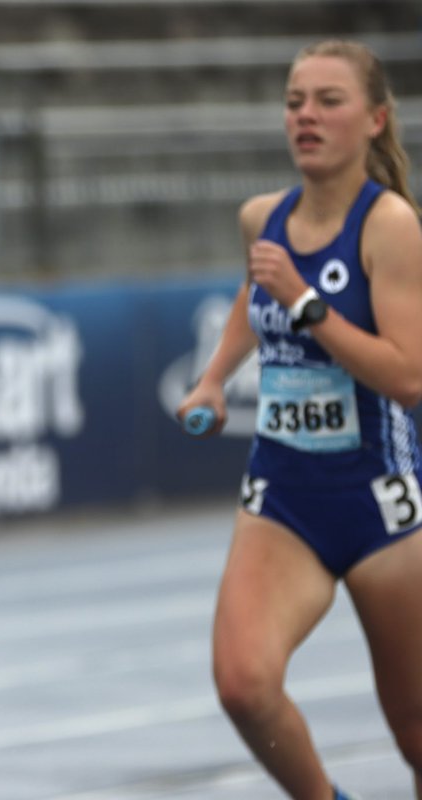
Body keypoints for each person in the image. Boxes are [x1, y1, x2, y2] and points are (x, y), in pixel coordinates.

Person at [178, 40, 422, 799]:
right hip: (282, 496)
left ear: (376, 119)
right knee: (243, 685)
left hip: (382, 500)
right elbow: (254, 311)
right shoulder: (264, 219)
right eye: (294, 102)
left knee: (414, 725)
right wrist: (214, 379)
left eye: (328, 101)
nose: (306, 116)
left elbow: (409, 377)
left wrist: (306, 305)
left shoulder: (390, 227)